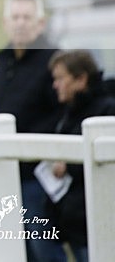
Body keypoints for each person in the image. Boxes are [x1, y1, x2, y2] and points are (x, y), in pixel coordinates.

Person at [0, 0, 65, 261]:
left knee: (43, 248)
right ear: (5, 22)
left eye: (27, 17)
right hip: (5, 174)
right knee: (14, 251)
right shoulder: (3, 61)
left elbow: (64, 113)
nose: (20, 23)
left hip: (39, 175)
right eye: (15, 17)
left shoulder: (54, 61)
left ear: (40, 23)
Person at [46, 50, 115, 262]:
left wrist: (70, 165)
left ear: (81, 79)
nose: (55, 85)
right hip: (77, 216)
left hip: (95, 217)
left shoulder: (107, 109)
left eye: (60, 78)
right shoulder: (71, 110)